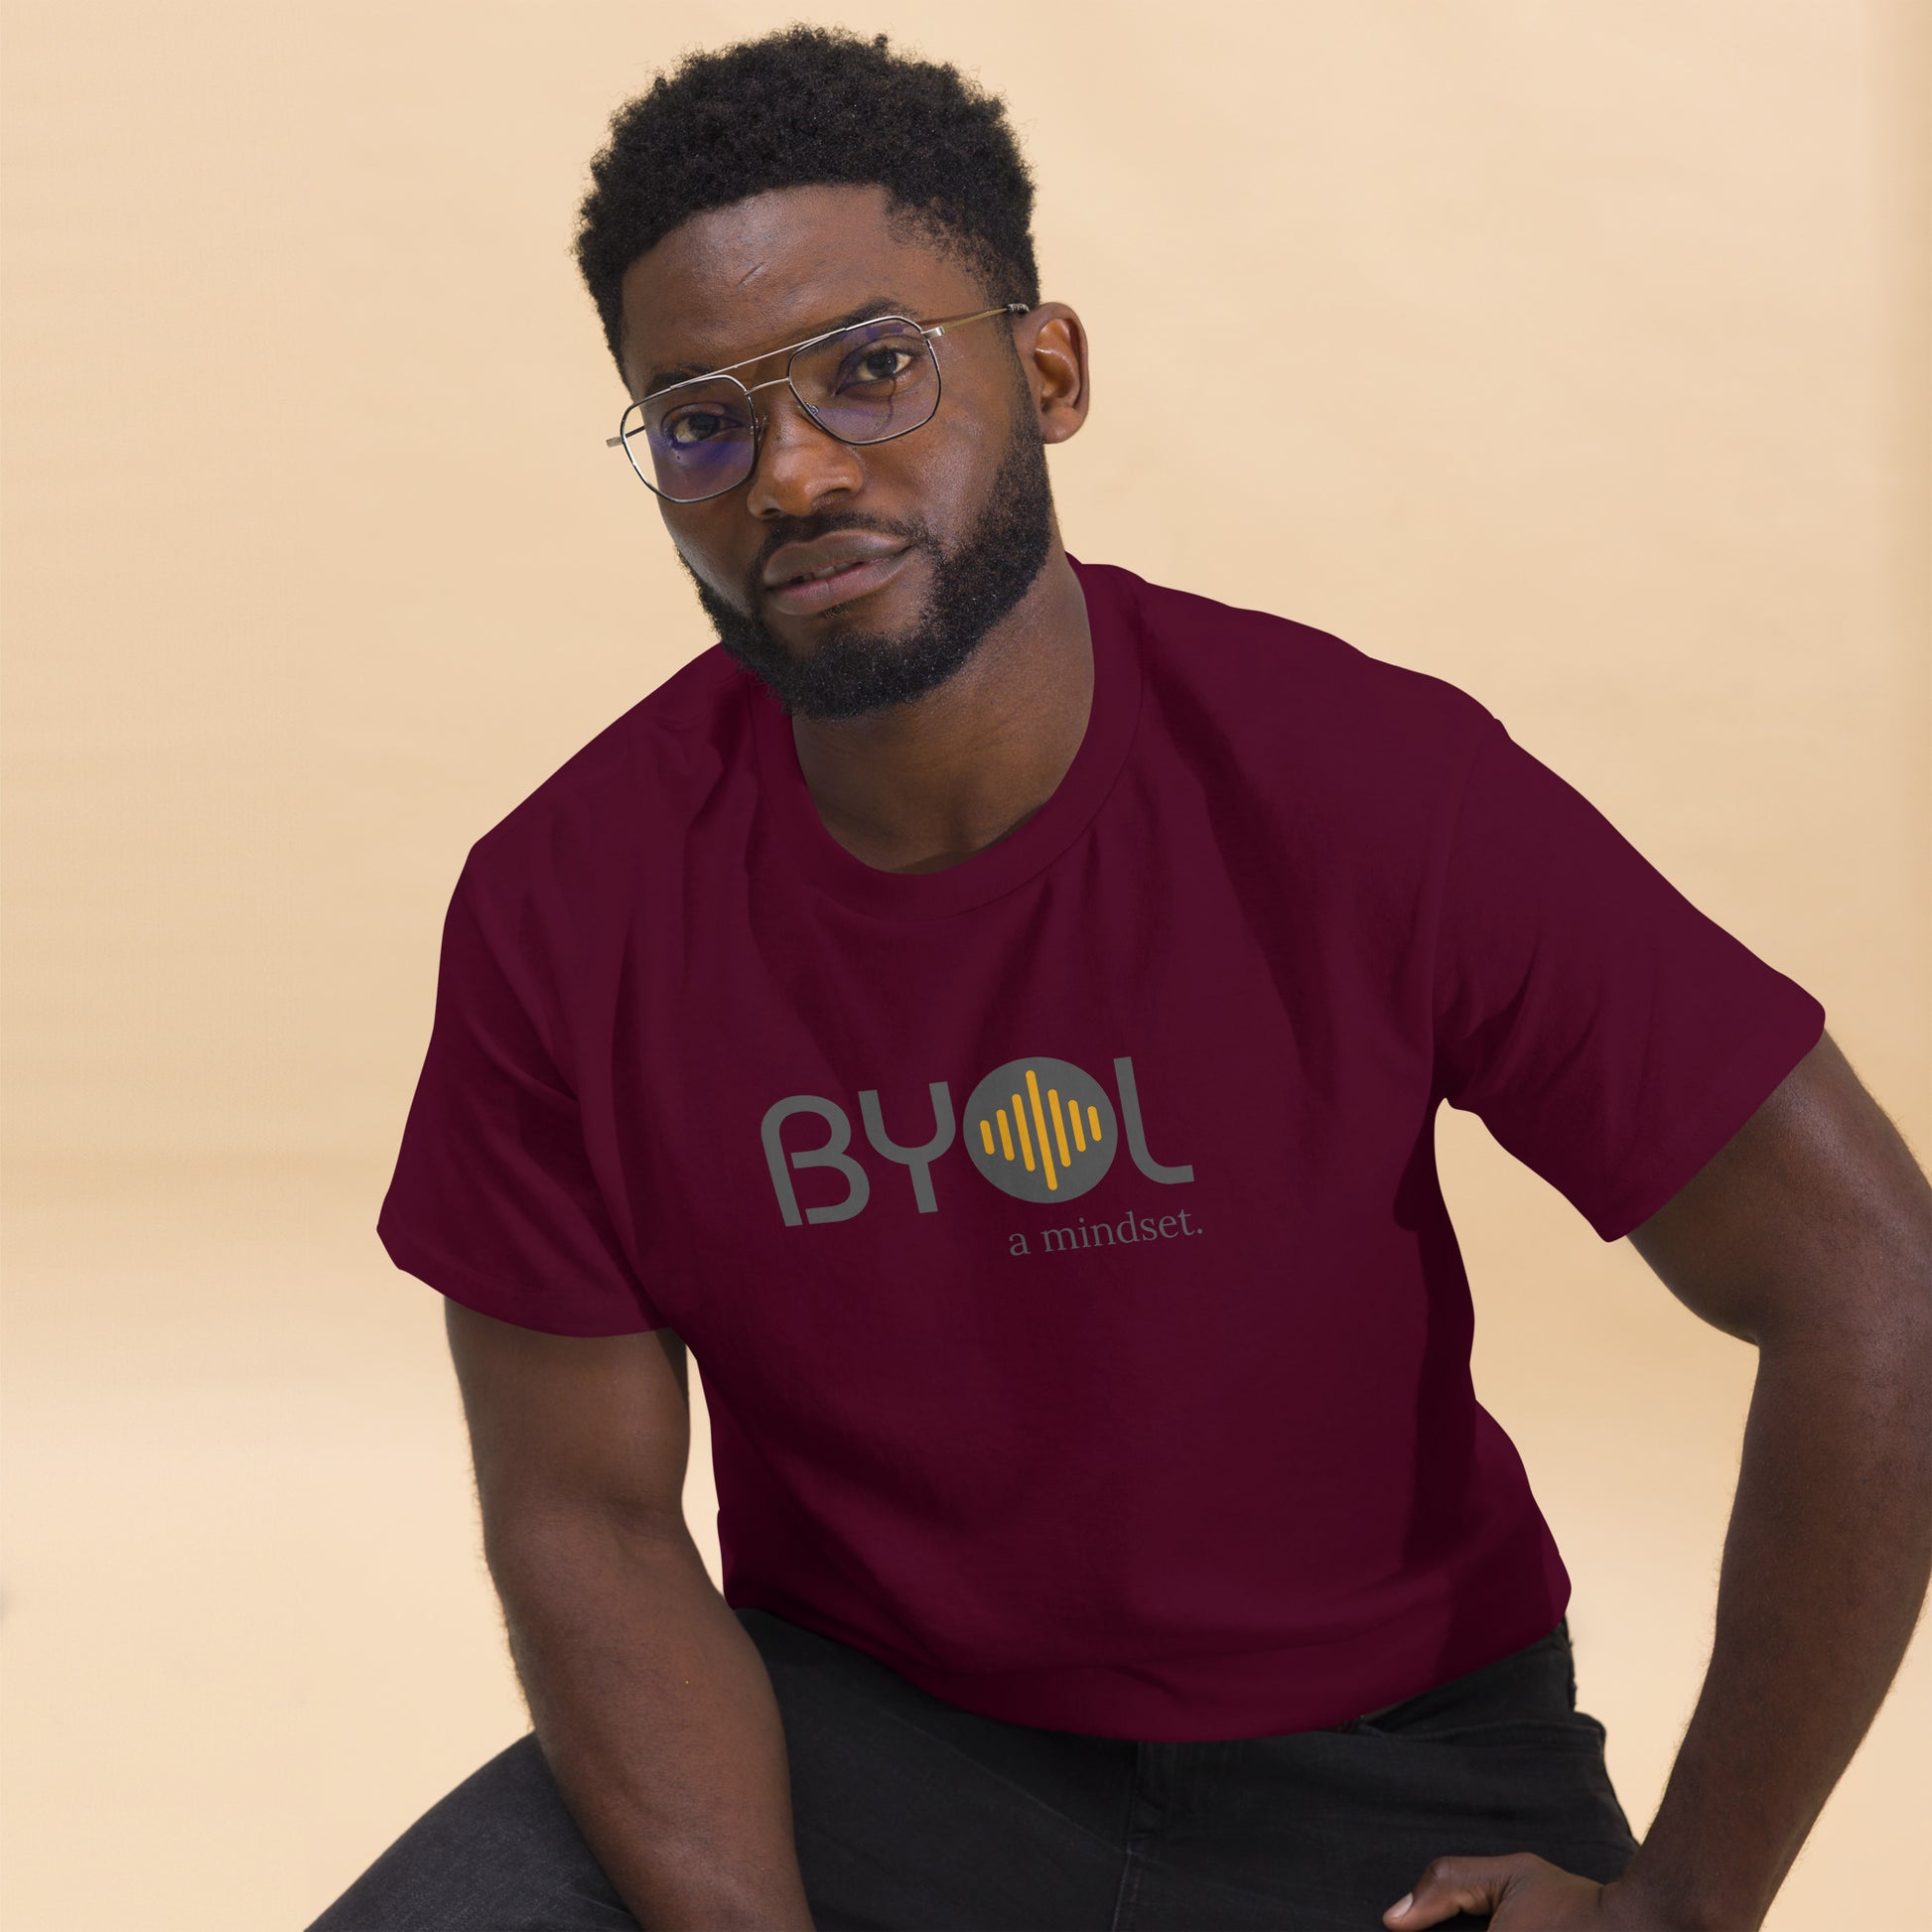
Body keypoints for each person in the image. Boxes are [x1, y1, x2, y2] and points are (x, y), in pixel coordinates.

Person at [308, 26, 1932, 1932]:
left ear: (1047, 369)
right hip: (861, 1744)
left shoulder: (1362, 785)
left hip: (1385, 1773)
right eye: (699, 422)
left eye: (872, 368)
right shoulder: (560, 903)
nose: (794, 470)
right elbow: (580, 1508)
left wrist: (1683, 1906)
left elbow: (1871, 1285)